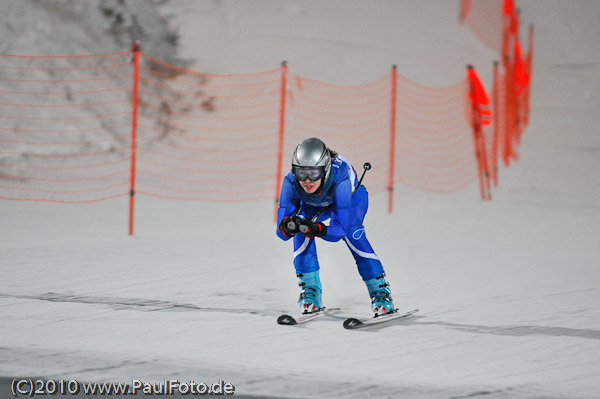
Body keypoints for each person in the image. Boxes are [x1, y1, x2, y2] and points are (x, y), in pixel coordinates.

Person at [276, 137, 395, 316]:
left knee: (352, 231)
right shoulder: (290, 181)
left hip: (350, 199)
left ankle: (380, 293)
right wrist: (290, 227)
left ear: (324, 169)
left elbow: (339, 231)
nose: (307, 180)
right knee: (300, 227)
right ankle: (310, 292)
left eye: (314, 173)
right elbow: (281, 233)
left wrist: (318, 229)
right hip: (314, 202)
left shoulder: (341, 178)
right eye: (301, 173)